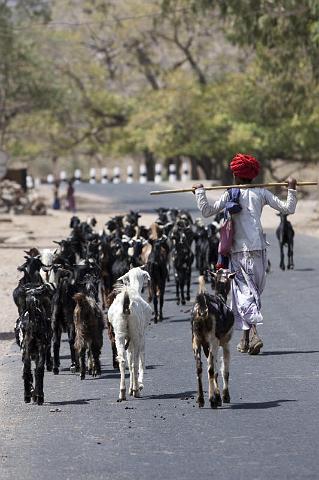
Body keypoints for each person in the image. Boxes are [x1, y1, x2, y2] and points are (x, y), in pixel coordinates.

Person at [192, 153, 297, 355]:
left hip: (240, 253)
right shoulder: (261, 193)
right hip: (259, 251)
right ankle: (246, 339)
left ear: (236, 176)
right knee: (251, 294)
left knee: (245, 295)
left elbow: (207, 211)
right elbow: (288, 208)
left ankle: (255, 334)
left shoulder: (231, 193)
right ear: (252, 176)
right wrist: (291, 188)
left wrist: (199, 192)